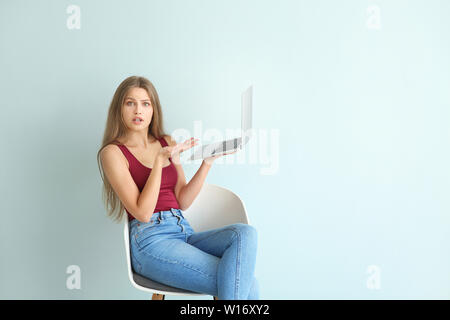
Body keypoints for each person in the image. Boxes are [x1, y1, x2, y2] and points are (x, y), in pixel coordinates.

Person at [97, 76, 259, 300]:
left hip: (183, 231)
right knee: (247, 284)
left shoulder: (166, 142)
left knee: (244, 233)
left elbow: (182, 200)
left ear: (153, 109)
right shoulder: (112, 153)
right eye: (130, 103)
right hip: (150, 240)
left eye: (146, 103)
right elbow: (142, 213)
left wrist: (207, 162)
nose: (138, 110)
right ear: (119, 108)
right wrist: (158, 164)